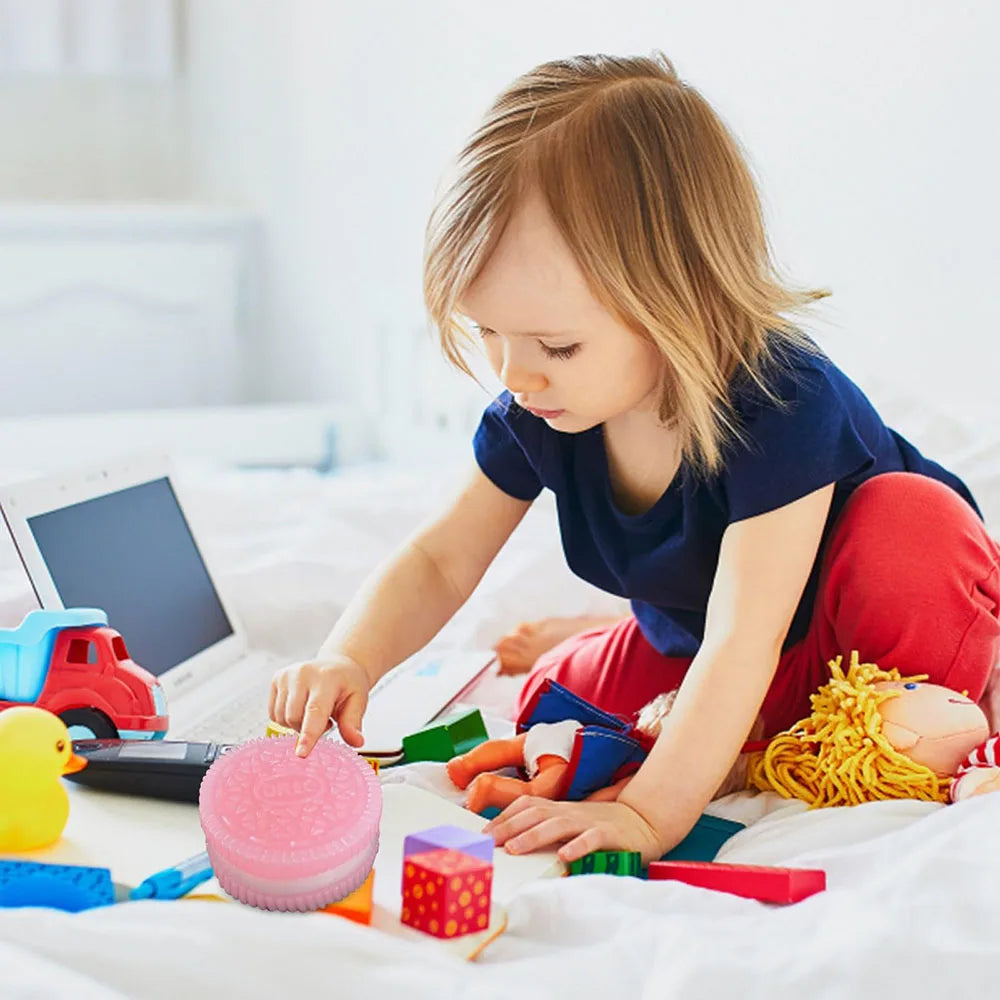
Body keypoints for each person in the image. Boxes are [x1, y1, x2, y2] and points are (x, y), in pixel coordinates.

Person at [268, 52, 1000, 865]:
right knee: (553, 699)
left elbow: (742, 635)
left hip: (850, 635)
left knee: (913, 527)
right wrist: (350, 655)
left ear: (680, 296)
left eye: (556, 343)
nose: (514, 375)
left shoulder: (780, 396)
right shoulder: (542, 407)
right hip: (710, 643)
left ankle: (952, 700)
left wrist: (651, 816)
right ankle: (697, 693)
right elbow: (442, 559)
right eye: (488, 334)